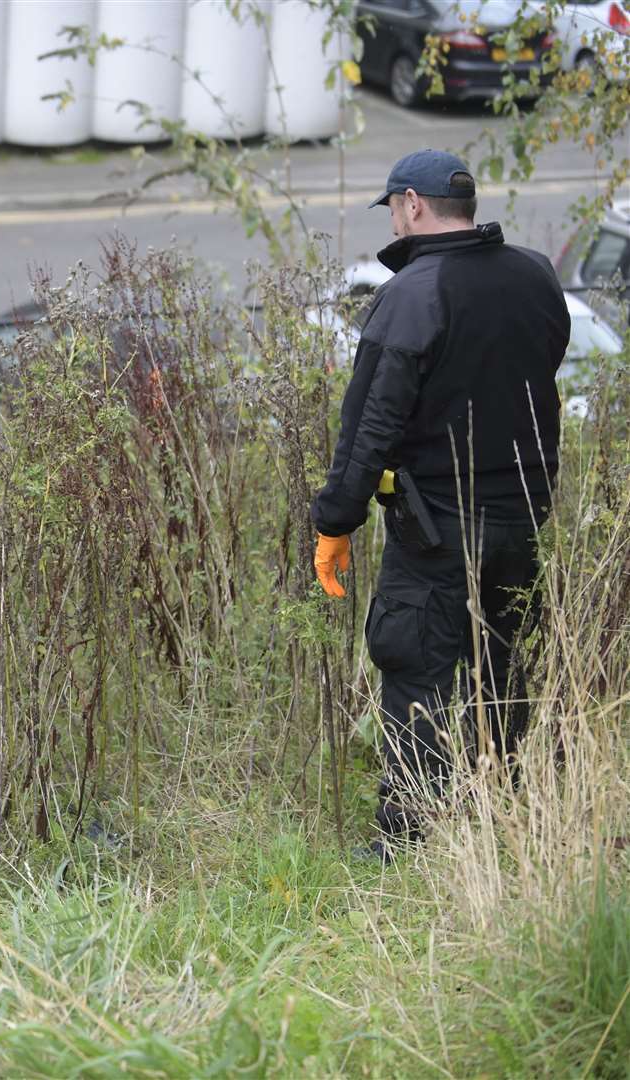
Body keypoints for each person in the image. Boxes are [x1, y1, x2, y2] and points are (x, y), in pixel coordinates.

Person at [310, 151, 568, 859]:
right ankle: (508, 819)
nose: (394, 219)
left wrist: (335, 521)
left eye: (393, 208)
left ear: (413, 205)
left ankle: (407, 841)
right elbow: (542, 367)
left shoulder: (413, 295)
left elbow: (369, 427)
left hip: (437, 528)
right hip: (523, 519)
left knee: (417, 669)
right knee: (504, 668)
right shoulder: (535, 275)